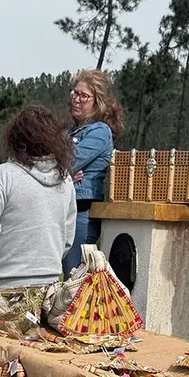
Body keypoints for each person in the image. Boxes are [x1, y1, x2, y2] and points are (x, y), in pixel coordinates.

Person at [0, 105, 77, 290]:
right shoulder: (65, 180)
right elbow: (67, 238)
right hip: (50, 286)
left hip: (5, 286)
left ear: (14, 140)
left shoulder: (1, 177)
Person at [64, 69, 123, 275]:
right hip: (63, 210)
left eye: (84, 96)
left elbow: (67, 161)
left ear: (97, 102)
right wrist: (64, 177)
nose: (77, 100)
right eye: (75, 94)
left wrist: (60, 171)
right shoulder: (68, 132)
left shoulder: (99, 132)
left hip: (82, 214)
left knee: (74, 277)